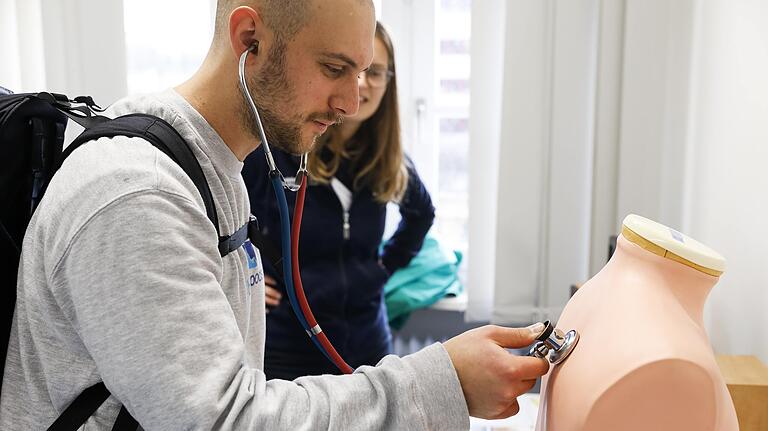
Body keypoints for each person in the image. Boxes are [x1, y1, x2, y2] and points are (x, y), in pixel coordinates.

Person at [0, 1, 550, 429]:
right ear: (250, 40)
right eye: (335, 68)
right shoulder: (136, 197)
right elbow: (221, 420)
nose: (351, 103)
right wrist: (443, 382)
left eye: (362, 74)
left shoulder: (216, 171)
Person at [242, 22, 434, 380]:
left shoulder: (390, 160)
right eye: (345, 70)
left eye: (374, 72)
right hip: (289, 349)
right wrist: (247, 270)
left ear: (389, 82)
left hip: (369, 345)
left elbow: (421, 215)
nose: (360, 84)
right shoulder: (278, 150)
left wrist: (379, 271)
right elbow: (222, 216)